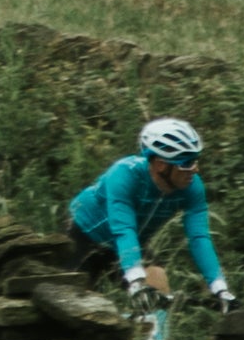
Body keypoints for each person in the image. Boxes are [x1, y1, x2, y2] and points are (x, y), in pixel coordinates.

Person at [73, 117, 232, 313]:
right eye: (187, 163)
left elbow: (199, 238)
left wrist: (220, 289)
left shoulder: (192, 186)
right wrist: (135, 280)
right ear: (160, 164)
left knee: (157, 287)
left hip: (131, 242)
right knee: (77, 307)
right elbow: (123, 229)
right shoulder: (124, 175)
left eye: (196, 160)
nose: (195, 169)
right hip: (85, 235)